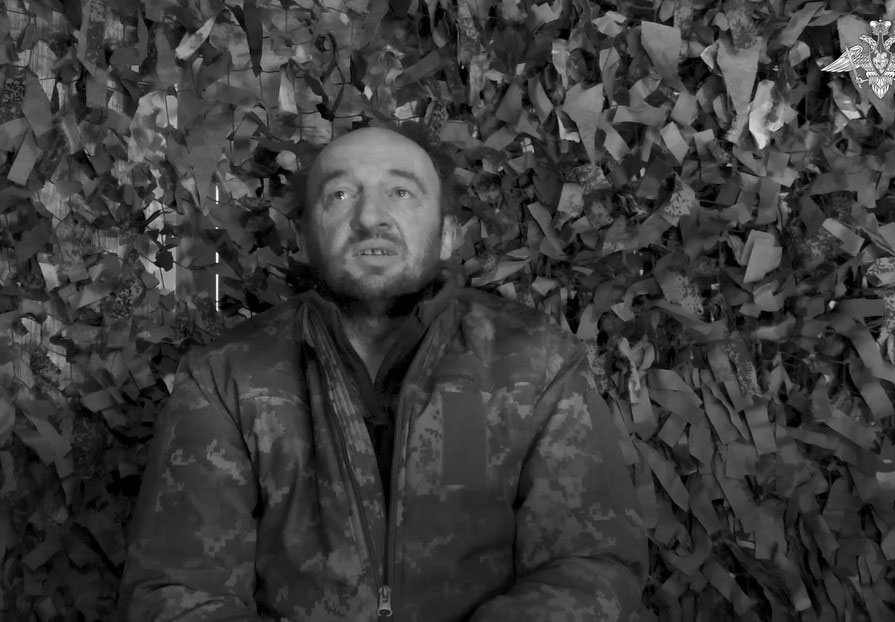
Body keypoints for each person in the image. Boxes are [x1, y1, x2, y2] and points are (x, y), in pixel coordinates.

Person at [119, 125, 647, 621]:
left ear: (447, 235)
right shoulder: (226, 376)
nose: (371, 217)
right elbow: (177, 590)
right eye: (340, 194)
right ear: (304, 237)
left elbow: (592, 566)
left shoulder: (536, 360)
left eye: (401, 192)